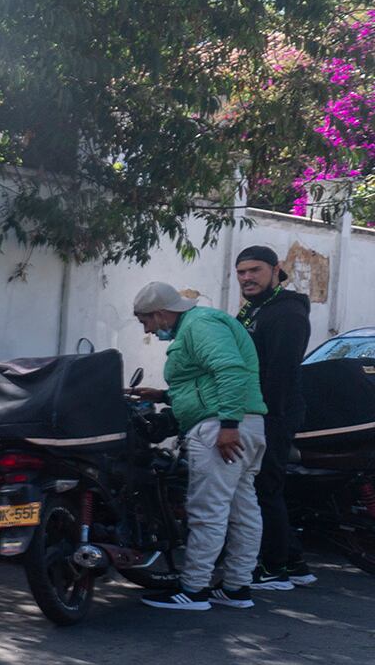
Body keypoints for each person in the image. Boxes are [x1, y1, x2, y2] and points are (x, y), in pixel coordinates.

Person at [130, 281, 268, 611]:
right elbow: (204, 380)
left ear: (161, 313)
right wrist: (164, 395)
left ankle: (194, 590)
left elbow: (230, 369)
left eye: (145, 321)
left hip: (222, 426)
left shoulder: (199, 325)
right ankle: (236, 587)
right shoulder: (201, 323)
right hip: (243, 422)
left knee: (208, 510)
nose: (148, 329)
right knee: (241, 509)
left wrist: (228, 426)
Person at [234, 246, 316, 588]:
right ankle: (294, 563)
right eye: (241, 272)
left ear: (276, 269)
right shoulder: (257, 309)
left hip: (273, 413)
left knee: (264, 489)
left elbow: (279, 372)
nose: (247, 277)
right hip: (260, 410)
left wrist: (261, 417)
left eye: (255, 270)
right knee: (263, 488)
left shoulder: (287, 314)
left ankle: (274, 568)